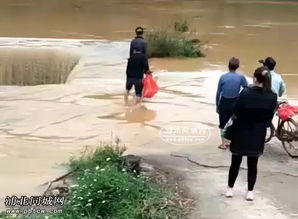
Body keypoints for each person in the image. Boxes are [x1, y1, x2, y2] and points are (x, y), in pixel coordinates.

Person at [225, 66, 277, 201]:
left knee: (235, 162)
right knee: (253, 165)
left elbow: (236, 111)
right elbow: (269, 119)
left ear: (255, 78)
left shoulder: (246, 93)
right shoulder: (272, 96)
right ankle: (250, 192)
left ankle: (230, 189)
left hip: (241, 131)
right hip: (258, 133)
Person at [216, 57, 248, 150]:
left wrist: (217, 105)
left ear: (228, 66)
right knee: (233, 122)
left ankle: (223, 144)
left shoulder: (223, 77)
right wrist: (241, 98)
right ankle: (230, 141)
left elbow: (218, 92)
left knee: (222, 123)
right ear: (237, 66)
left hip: (224, 102)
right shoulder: (241, 77)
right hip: (235, 102)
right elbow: (246, 89)